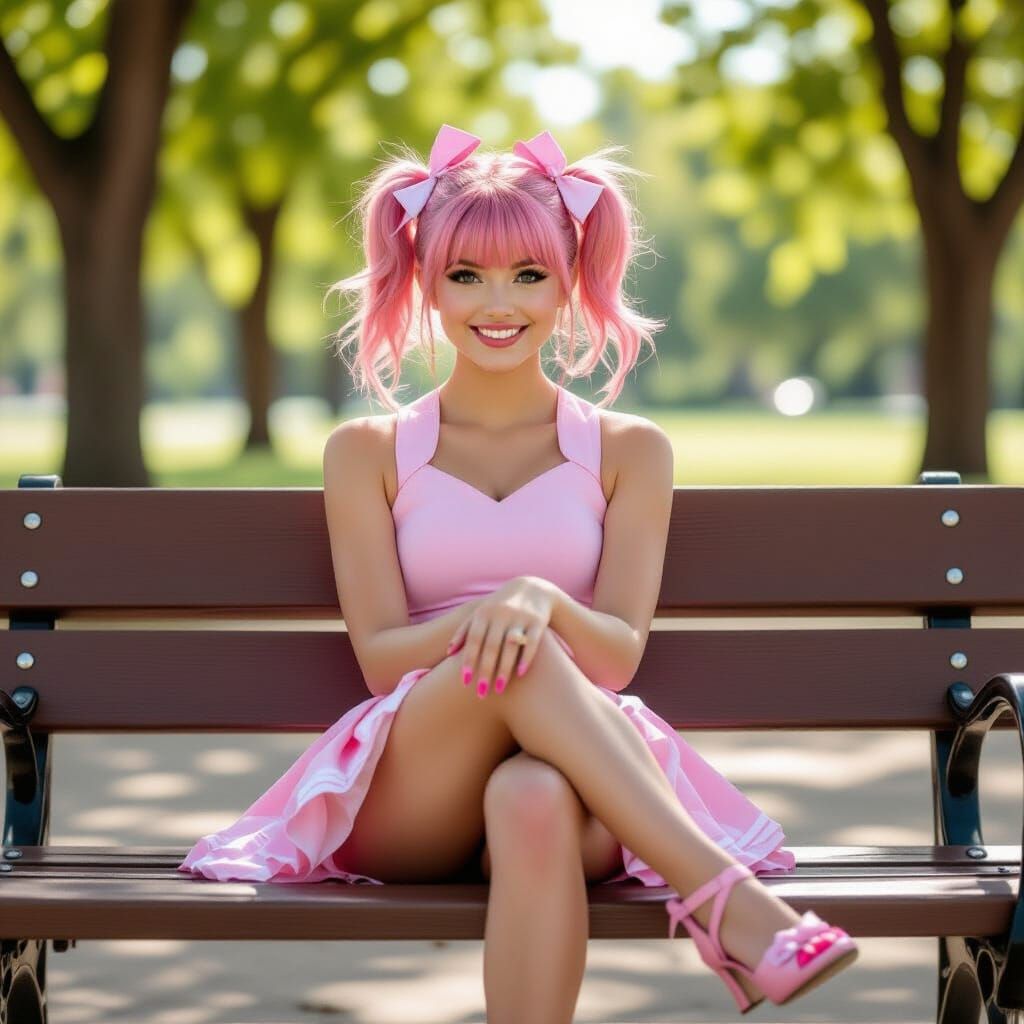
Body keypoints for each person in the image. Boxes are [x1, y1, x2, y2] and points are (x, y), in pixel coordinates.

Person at [178, 123, 858, 1016]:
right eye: (466, 275)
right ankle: (733, 908)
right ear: (425, 282)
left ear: (571, 282)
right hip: (412, 793)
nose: (498, 303)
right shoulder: (369, 452)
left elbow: (614, 659)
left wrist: (537, 601)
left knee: (533, 790)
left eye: (529, 275)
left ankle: (727, 913)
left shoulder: (629, 451)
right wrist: (506, 619)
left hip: (575, 793)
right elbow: (385, 660)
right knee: (520, 651)